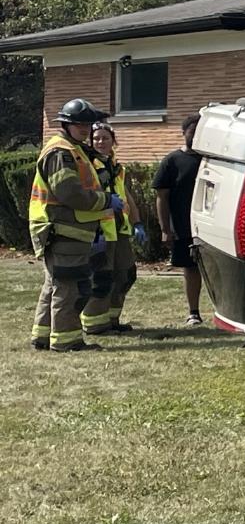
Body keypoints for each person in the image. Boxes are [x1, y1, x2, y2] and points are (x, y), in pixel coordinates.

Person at [27, 99, 118, 352]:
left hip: (62, 230)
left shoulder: (72, 149)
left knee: (55, 284)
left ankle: (42, 335)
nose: (85, 129)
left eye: (88, 124)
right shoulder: (62, 152)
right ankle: (67, 341)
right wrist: (106, 200)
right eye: (79, 124)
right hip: (63, 229)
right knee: (70, 286)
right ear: (66, 124)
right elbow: (70, 193)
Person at [79, 122, 143, 335]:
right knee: (101, 277)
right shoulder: (87, 165)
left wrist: (137, 222)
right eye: (96, 138)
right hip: (99, 231)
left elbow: (125, 195)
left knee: (125, 274)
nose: (100, 142)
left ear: (113, 141)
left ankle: (112, 318)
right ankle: (95, 324)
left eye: (105, 138)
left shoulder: (115, 166)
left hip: (119, 229)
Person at [153, 115, 204, 325]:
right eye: (192, 131)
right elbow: (161, 197)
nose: (196, 136)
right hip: (184, 227)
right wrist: (165, 229)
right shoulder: (172, 161)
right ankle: (194, 312)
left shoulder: (212, 159)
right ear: (184, 133)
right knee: (190, 269)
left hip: (212, 227)